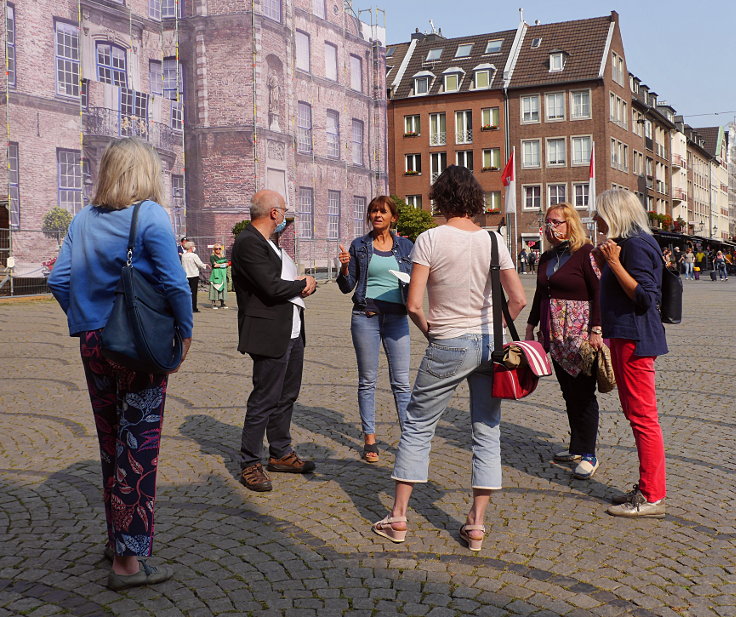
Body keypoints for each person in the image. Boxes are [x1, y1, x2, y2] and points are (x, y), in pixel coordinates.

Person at [47, 137, 192, 589]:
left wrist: (87, 315)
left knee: (111, 441)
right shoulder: (148, 214)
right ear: (145, 173)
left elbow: (58, 278)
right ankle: (127, 563)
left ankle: (117, 540)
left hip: (93, 342)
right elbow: (175, 284)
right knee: (139, 446)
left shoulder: (83, 219)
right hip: (137, 344)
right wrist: (184, 334)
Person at [370, 166, 526, 551]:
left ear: (440, 198)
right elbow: (519, 298)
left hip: (448, 342)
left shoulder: (429, 239)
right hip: (490, 346)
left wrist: (432, 332)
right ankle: (475, 524)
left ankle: (399, 518)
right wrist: (497, 330)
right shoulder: (494, 241)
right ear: (474, 199)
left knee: (419, 423)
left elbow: (413, 303)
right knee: (487, 429)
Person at [231, 190, 317, 492]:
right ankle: (249, 462)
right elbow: (269, 286)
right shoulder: (247, 243)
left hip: (291, 330)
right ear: (273, 213)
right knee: (264, 398)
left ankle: (280, 452)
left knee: (286, 395)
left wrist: (302, 287)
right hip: (268, 332)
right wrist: (303, 283)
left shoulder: (269, 242)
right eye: (283, 211)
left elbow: (281, 284)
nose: (284, 217)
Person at [593, 189, 668, 518]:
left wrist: (613, 262)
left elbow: (645, 298)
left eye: (600, 213)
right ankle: (649, 486)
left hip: (635, 339)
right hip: (625, 338)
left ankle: (652, 496)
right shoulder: (630, 242)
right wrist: (605, 262)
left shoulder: (635, 245)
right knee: (637, 414)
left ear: (614, 213)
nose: (595, 219)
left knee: (643, 418)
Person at [525, 204, 603, 480]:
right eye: (548, 223)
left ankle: (590, 453)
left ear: (571, 224)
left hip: (580, 333)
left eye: (557, 222)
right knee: (568, 392)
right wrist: (531, 325)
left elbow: (599, 292)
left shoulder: (586, 253)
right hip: (554, 333)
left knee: (583, 393)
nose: (552, 227)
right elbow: (540, 294)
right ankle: (576, 446)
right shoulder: (547, 257)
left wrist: (597, 329)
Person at [337, 196, 413, 463]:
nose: (377, 215)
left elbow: (417, 280)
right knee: (367, 381)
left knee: (402, 383)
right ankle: (370, 439)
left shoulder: (406, 246)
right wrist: (345, 266)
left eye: (383, 211)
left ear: (393, 217)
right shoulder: (360, 245)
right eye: (373, 211)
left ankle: (409, 440)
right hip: (365, 317)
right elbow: (347, 286)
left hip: (397, 319)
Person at [181, 240, 208, 312]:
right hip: (193, 275)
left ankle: (187, 307)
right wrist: (205, 265)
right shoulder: (194, 255)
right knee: (194, 292)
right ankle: (194, 307)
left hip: (186, 275)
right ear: (191, 247)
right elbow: (200, 264)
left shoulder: (183, 256)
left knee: (187, 292)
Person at [209, 243, 230, 308]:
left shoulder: (223, 256)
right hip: (216, 274)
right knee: (214, 287)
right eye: (216, 249)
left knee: (223, 287)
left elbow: (227, 263)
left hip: (223, 274)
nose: (218, 250)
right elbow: (214, 265)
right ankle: (214, 303)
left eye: (219, 248)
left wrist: (219, 264)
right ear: (214, 249)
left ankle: (222, 303)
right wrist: (223, 264)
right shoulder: (212, 256)